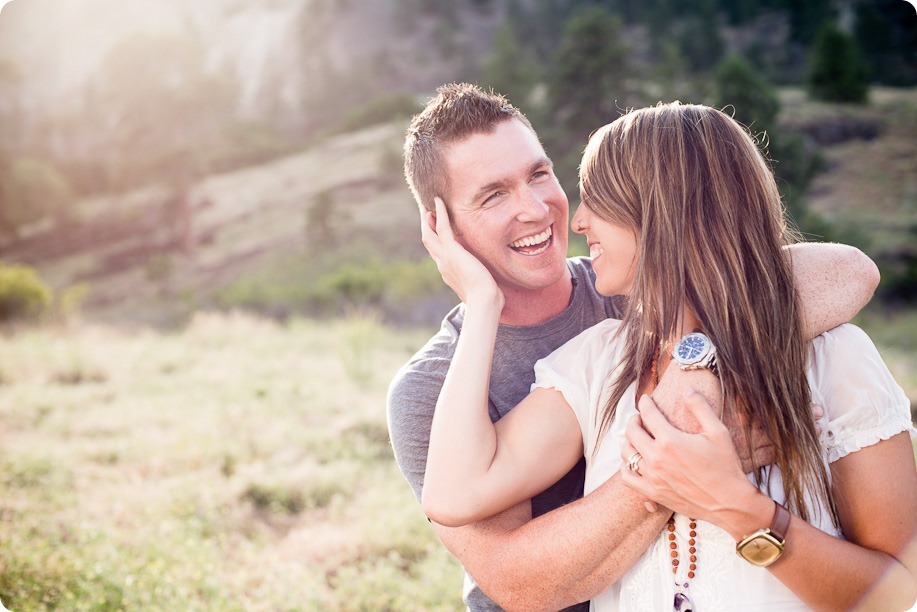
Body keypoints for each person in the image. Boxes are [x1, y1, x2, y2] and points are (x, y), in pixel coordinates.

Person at [387, 83, 880, 611]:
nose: (537, 209)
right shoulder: (432, 389)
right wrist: (675, 460)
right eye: (493, 195)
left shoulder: (636, 294)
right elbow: (519, 584)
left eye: (538, 174)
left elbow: (847, 270)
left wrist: (696, 358)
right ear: (440, 227)